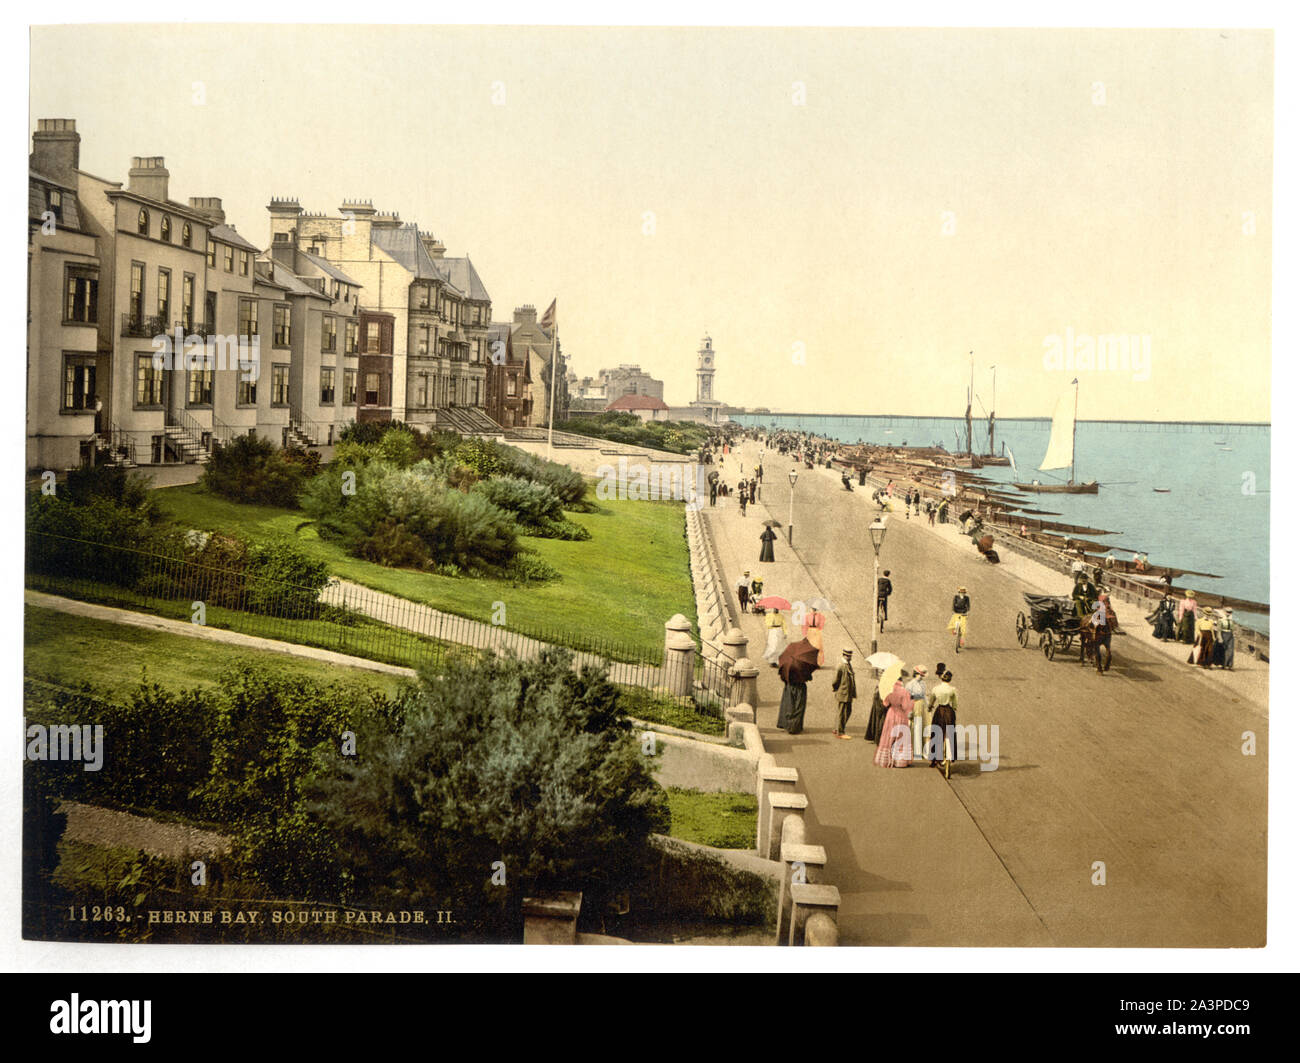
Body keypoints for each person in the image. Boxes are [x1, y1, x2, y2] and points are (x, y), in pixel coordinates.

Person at [873, 670, 914, 768]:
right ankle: (899, 760)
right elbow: (905, 706)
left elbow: (885, 703)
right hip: (900, 715)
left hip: (891, 713)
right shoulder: (904, 691)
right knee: (900, 736)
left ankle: (887, 759)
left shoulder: (889, 689)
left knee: (888, 735)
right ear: (901, 679)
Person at [926, 670, 958, 774]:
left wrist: (930, 707)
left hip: (939, 712)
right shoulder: (952, 690)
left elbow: (931, 701)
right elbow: (955, 704)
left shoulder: (936, 689)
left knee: (936, 734)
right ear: (950, 679)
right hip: (949, 713)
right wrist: (954, 707)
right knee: (950, 733)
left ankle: (935, 759)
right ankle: (951, 755)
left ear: (942, 678)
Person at [831, 648, 856, 738]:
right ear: (845, 655)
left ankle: (837, 728)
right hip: (843, 693)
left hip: (847, 693)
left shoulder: (848, 664)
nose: (850, 657)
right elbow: (836, 680)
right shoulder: (841, 666)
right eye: (849, 656)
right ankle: (840, 732)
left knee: (846, 711)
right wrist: (836, 689)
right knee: (843, 712)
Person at [905, 667, 928, 758]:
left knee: (923, 727)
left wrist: (928, 704)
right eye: (919, 675)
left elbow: (925, 695)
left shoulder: (923, 684)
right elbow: (907, 697)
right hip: (914, 705)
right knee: (916, 727)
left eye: (922, 675)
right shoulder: (910, 684)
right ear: (915, 674)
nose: (921, 677)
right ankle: (915, 751)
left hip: (922, 706)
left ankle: (923, 750)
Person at [864, 672, 888, 743]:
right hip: (878, 702)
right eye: (879, 674)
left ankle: (876, 737)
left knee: (877, 720)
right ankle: (876, 737)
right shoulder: (881, 683)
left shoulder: (882, 683)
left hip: (878, 702)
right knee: (877, 720)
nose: (880, 675)